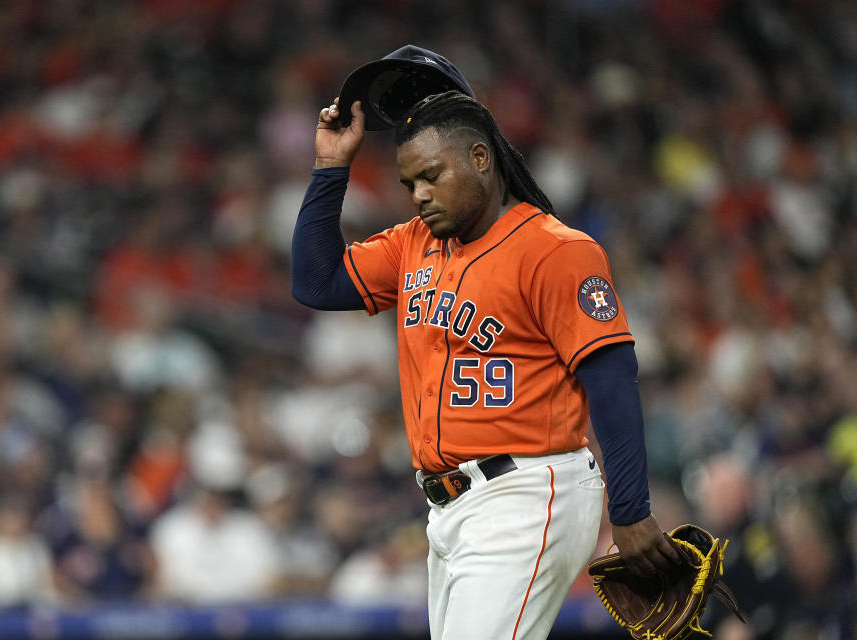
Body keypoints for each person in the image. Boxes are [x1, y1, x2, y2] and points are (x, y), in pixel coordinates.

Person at [291, 49, 680, 639]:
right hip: (450, 510)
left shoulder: (555, 250)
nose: (418, 194)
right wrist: (329, 169)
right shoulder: (414, 244)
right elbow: (315, 281)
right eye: (409, 183)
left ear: (479, 157)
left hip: (527, 492)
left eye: (431, 176)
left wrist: (630, 511)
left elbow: (612, 378)